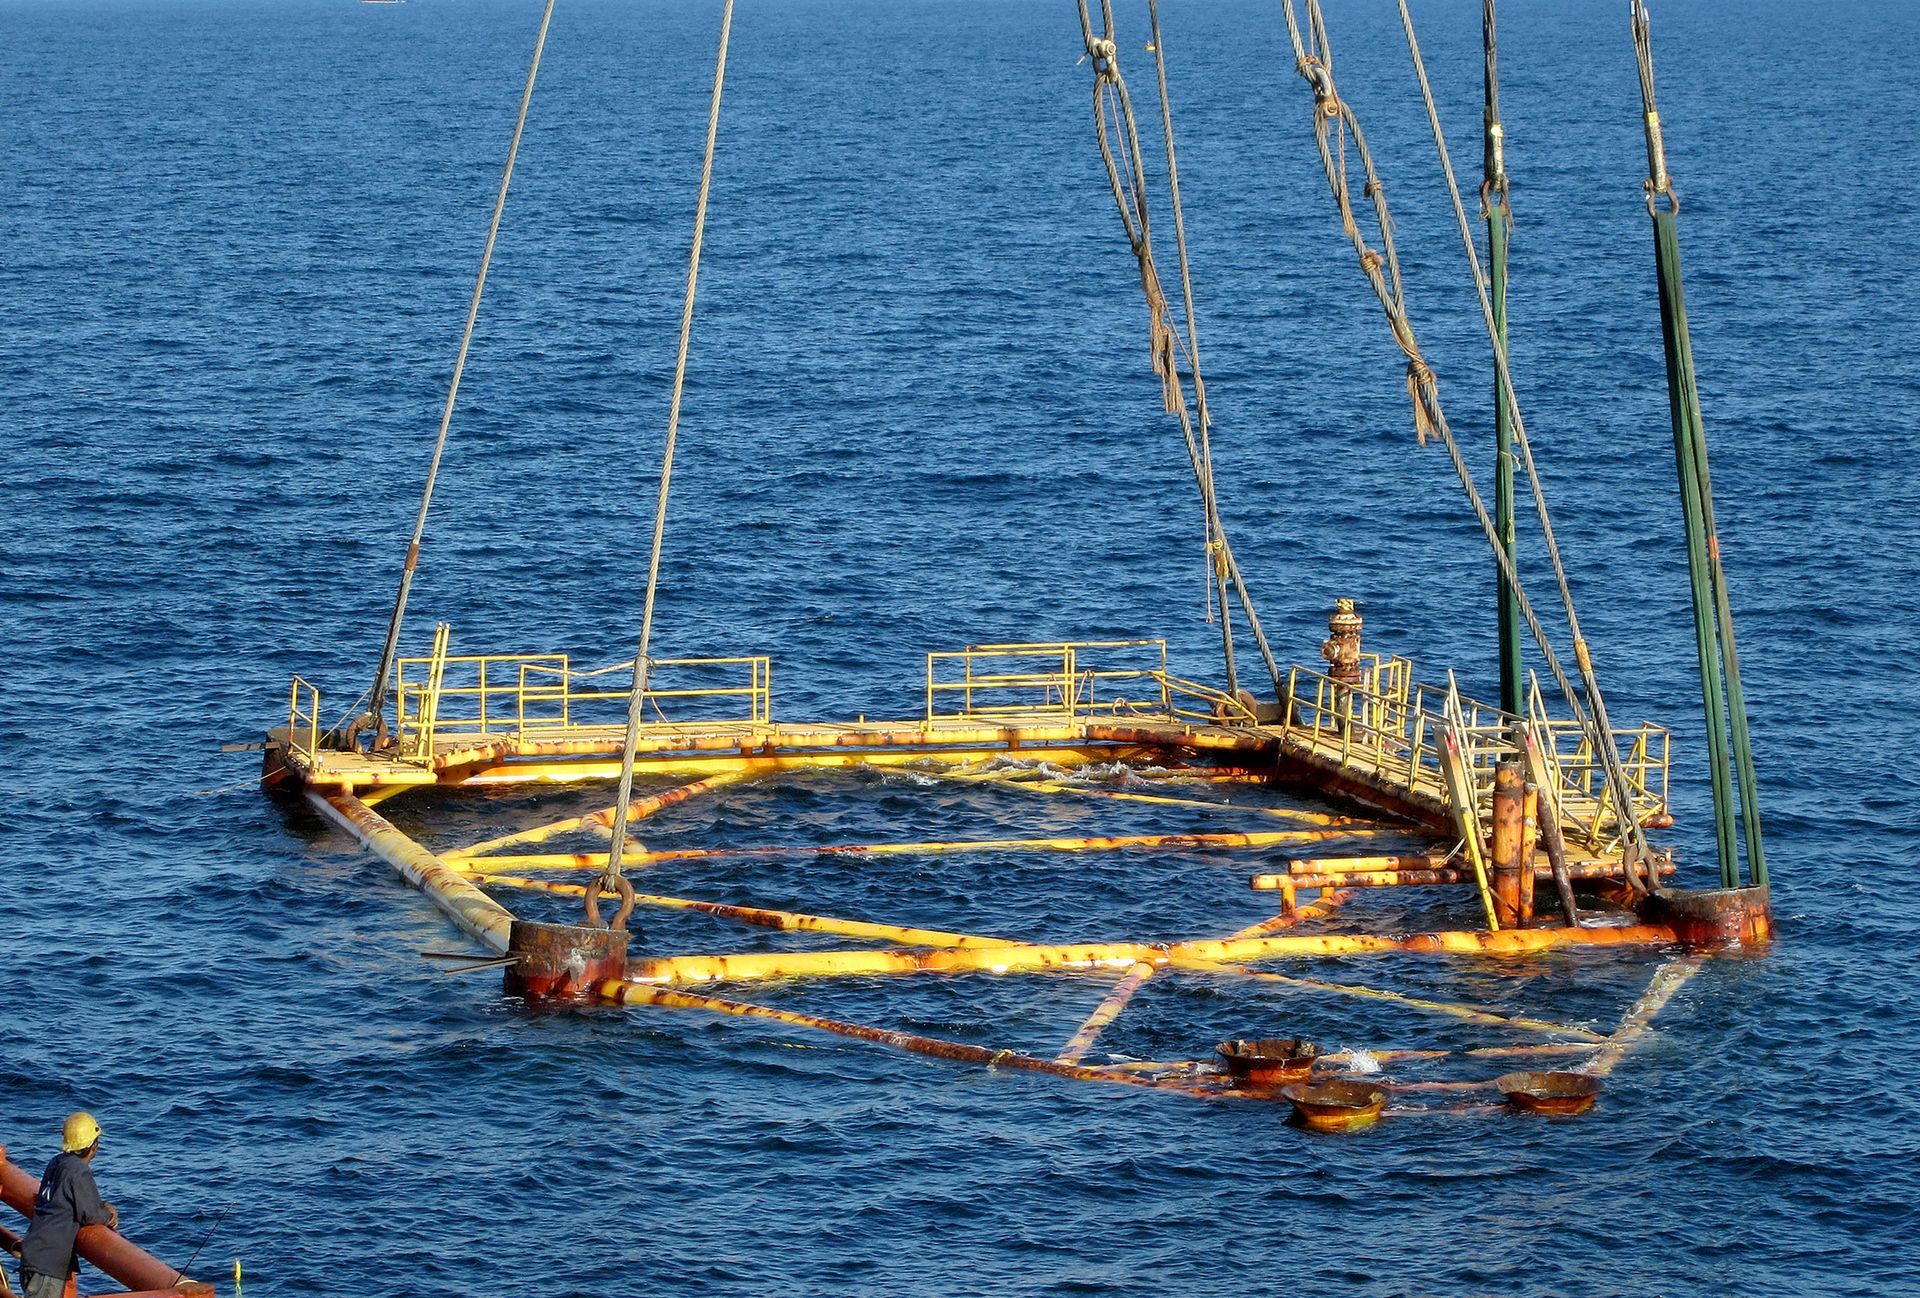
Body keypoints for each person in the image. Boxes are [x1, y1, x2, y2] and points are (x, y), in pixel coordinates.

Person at [17, 1113, 117, 1298]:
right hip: (48, 1264)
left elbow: (65, 1199)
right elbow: (91, 1215)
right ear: (93, 1146)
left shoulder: (56, 1162)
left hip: (33, 1254)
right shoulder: (78, 1171)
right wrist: (109, 1214)